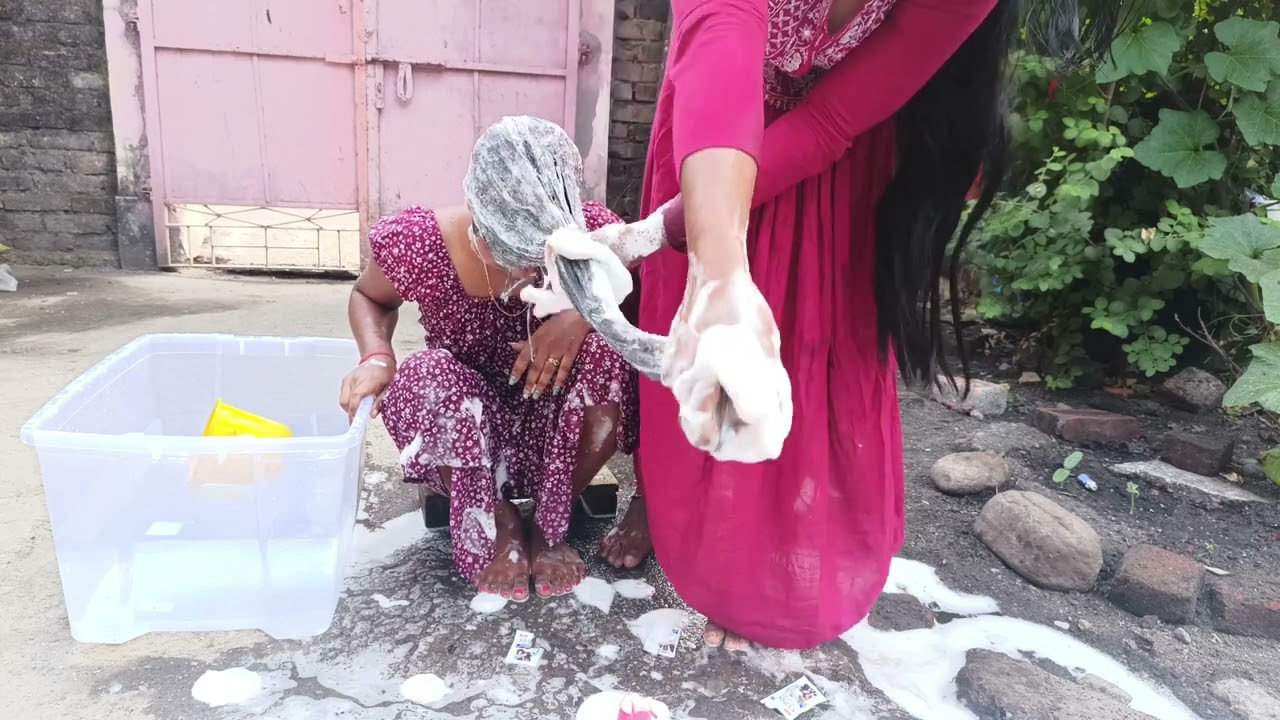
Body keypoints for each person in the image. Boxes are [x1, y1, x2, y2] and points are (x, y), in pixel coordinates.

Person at [576, 0, 1127, 650]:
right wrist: (707, 262)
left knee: (813, 361)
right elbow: (723, 35)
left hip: (836, 156)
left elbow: (830, 120)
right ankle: (674, 517)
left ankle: (770, 572)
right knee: (702, 355)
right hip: (716, 138)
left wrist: (667, 232)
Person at [339, 117, 638, 602]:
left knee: (613, 350)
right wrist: (376, 356)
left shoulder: (595, 235)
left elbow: (635, 295)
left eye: (542, 260)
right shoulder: (423, 243)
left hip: (555, 431)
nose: (525, 275)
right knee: (421, 375)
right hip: (469, 434)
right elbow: (369, 297)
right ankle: (500, 518)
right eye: (509, 256)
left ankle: (550, 521)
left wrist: (581, 316)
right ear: (480, 217)